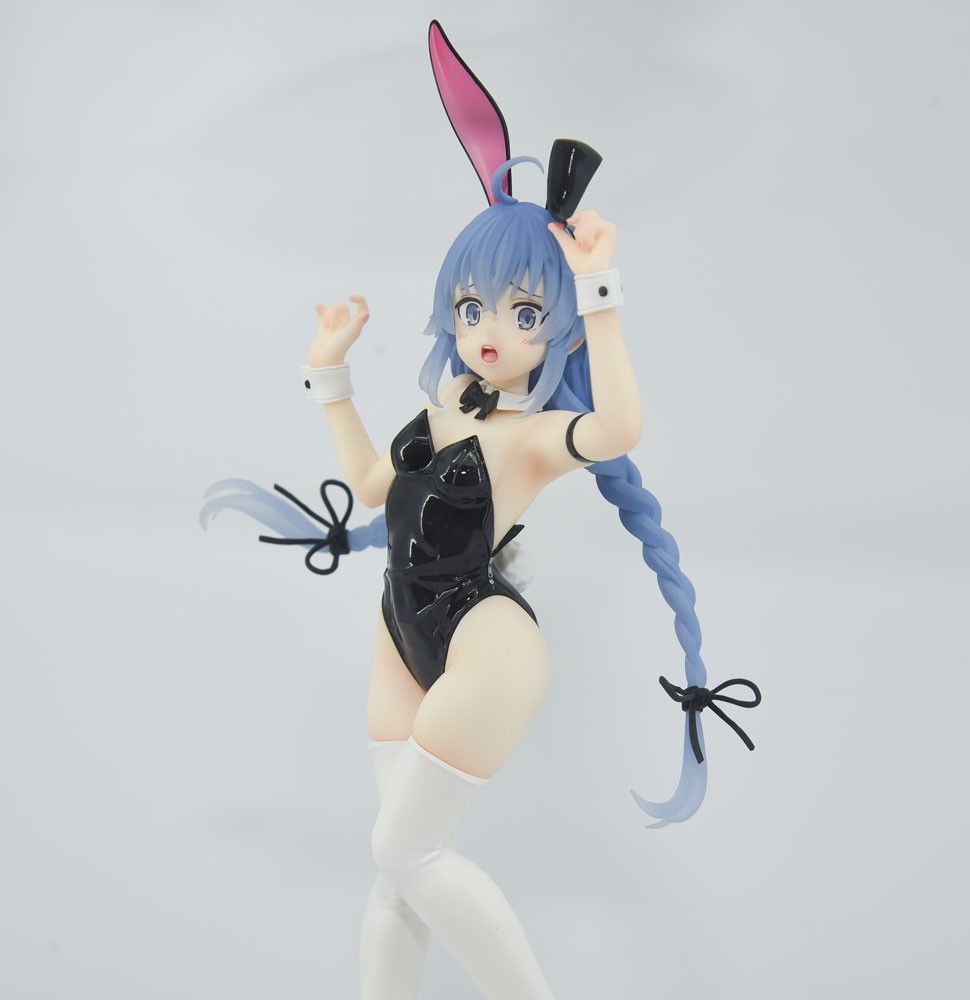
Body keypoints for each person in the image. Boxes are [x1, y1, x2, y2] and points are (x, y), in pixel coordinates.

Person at [200, 22, 759, 999]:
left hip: (485, 640)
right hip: (399, 632)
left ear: (556, 326)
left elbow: (620, 427)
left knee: (404, 851)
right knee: (399, 867)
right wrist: (330, 373)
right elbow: (371, 487)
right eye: (471, 307)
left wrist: (600, 292)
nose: (489, 330)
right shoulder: (441, 411)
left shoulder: (536, 437)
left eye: (523, 312)